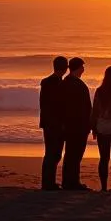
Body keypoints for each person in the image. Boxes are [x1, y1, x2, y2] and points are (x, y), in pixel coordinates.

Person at [61, 57, 92, 190]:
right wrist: (90, 124)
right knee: (76, 154)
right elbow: (86, 107)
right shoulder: (79, 85)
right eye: (82, 67)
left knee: (70, 153)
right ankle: (73, 182)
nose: (84, 69)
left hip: (68, 124)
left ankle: (68, 181)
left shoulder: (65, 83)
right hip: (79, 125)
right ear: (79, 68)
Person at [39, 55, 68, 190]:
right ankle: (48, 183)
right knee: (54, 153)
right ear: (65, 68)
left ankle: (47, 182)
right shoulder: (59, 84)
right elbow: (59, 106)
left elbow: (44, 105)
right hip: (55, 123)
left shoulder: (46, 82)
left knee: (50, 152)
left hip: (47, 122)